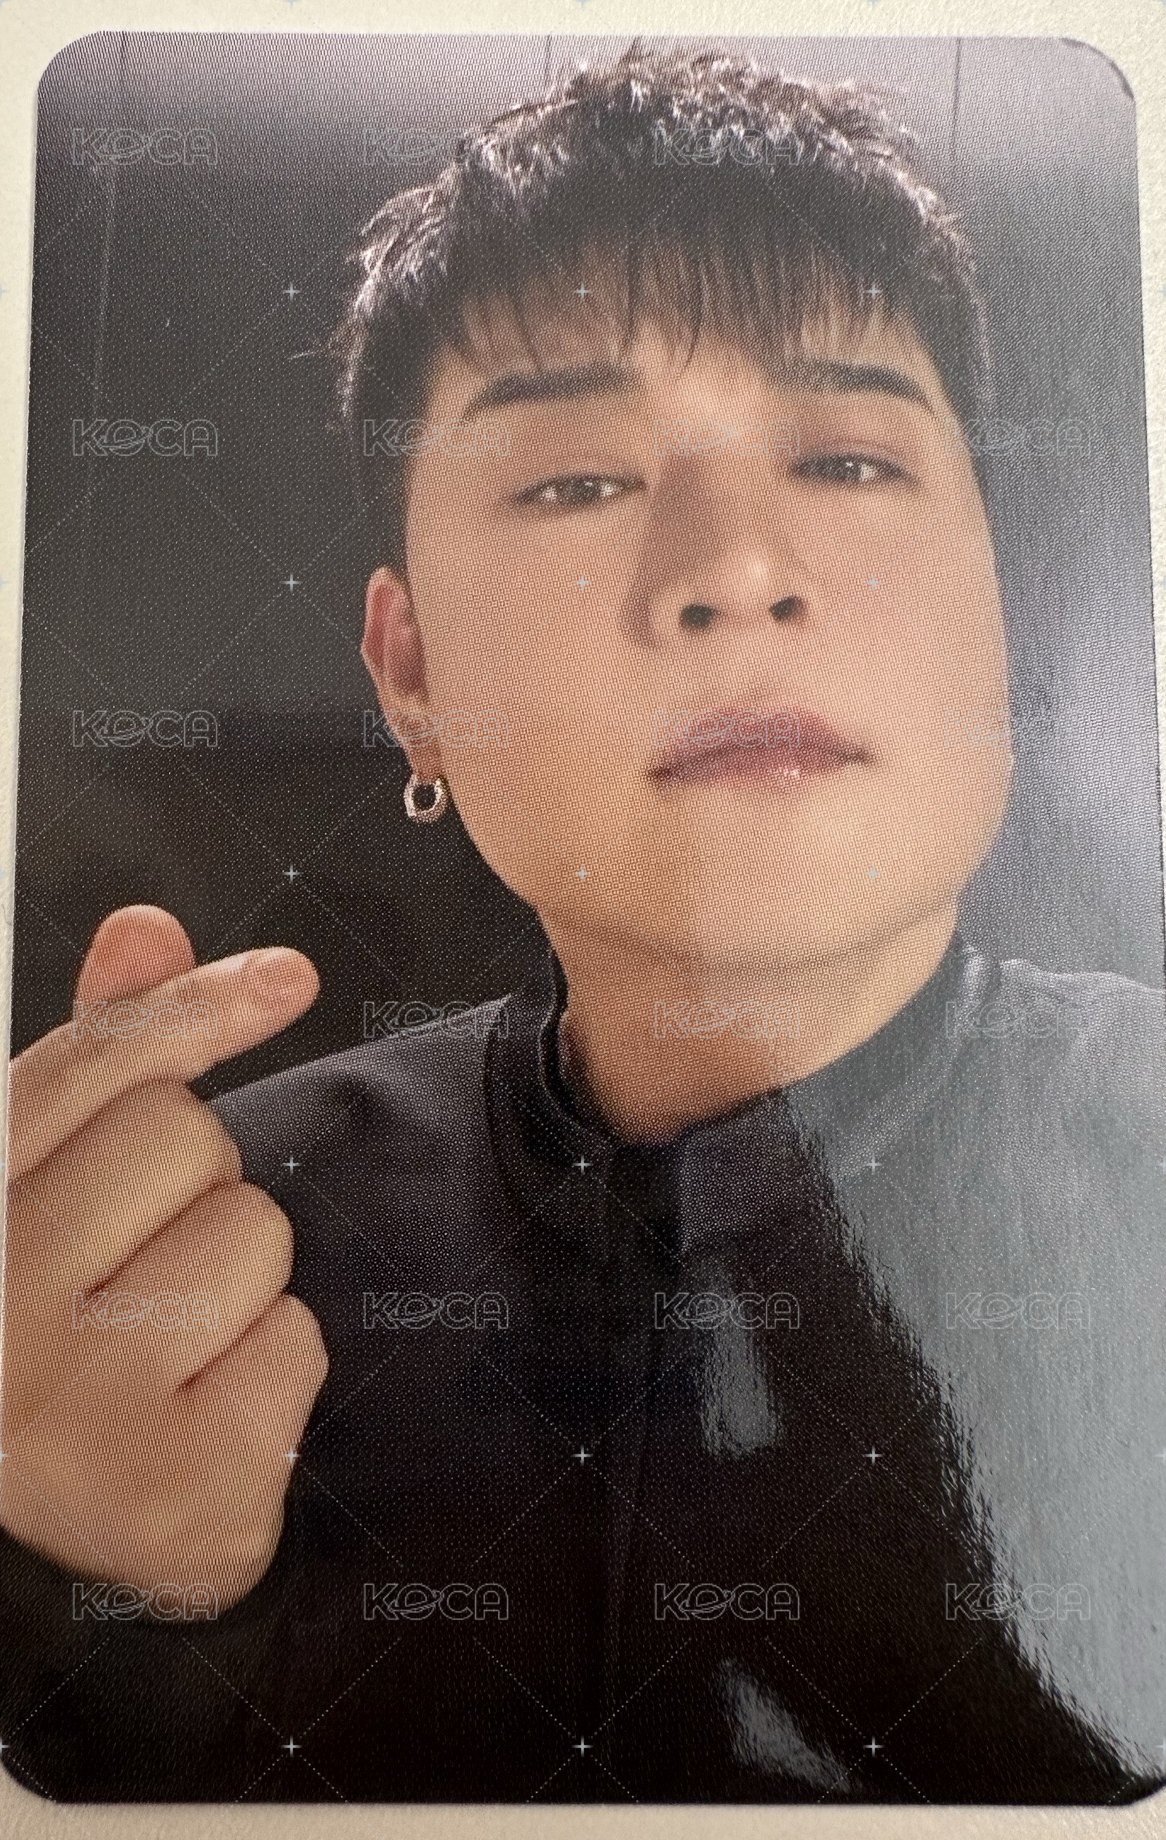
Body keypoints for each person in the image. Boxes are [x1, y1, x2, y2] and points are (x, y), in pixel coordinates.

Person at [2, 42, 1164, 1806]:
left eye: (848, 459)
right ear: (408, 674)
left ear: (994, 600)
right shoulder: (197, 1248)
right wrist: (93, 1595)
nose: (733, 569)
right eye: (572, 483)